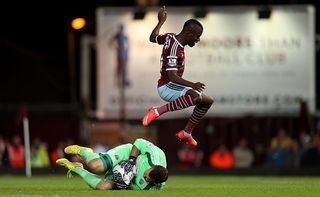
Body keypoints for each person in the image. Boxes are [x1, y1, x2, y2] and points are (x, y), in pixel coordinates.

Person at [142, 6, 214, 147]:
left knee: (208, 100)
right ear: (188, 33)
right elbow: (172, 76)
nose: (198, 39)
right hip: (166, 86)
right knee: (195, 96)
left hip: (174, 85)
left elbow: (153, 38)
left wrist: (161, 22)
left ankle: (186, 133)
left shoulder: (170, 37)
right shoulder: (175, 49)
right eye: (197, 36)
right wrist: (192, 85)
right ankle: (157, 111)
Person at [56, 138, 168, 190]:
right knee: (96, 166)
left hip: (126, 174)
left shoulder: (152, 189)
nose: (145, 178)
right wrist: (131, 160)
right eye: (147, 174)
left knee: (104, 187)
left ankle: (76, 168)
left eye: (148, 180)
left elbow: (132, 189)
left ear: (155, 182)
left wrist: (123, 182)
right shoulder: (155, 154)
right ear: (153, 166)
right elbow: (138, 142)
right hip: (128, 154)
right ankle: (84, 151)